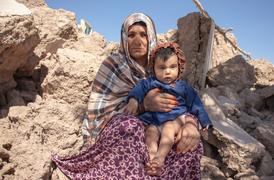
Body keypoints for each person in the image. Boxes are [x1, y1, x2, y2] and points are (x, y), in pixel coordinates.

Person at [52, 12, 204, 179]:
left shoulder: (164, 67)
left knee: (189, 142)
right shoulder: (113, 65)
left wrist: (190, 124)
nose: (137, 41)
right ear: (124, 38)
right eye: (131, 35)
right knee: (129, 128)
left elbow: (184, 102)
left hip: (166, 126)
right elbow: (102, 113)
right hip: (131, 127)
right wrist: (143, 105)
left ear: (151, 37)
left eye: (143, 35)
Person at [124, 42, 212, 176]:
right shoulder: (150, 82)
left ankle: (160, 157)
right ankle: (151, 160)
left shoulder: (183, 87)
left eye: (172, 67)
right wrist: (133, 101)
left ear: (179, 67)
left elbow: (195, 103)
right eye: (162, 67)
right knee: (150, 134)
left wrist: (205, 121)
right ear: (153, 68)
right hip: (153, 121)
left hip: (174, 119)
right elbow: (139, 89)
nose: (167, 71)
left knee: (168, 131)